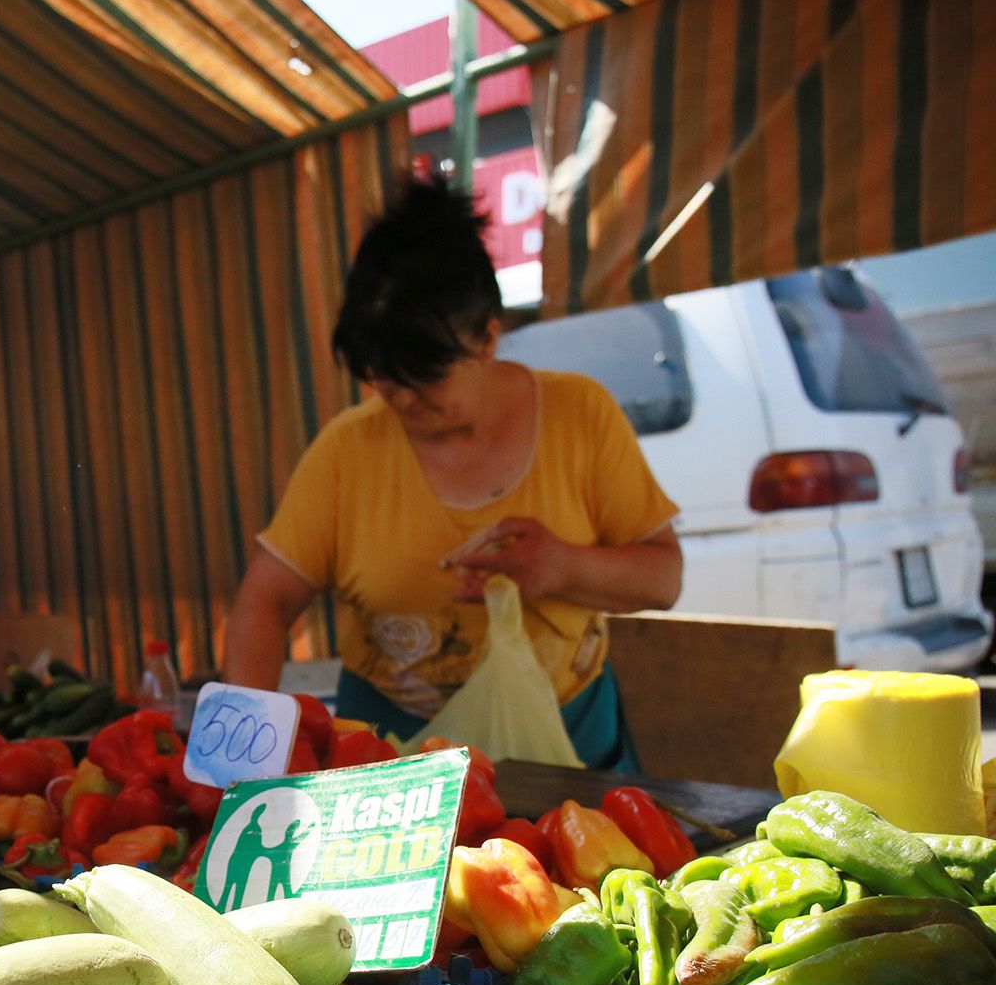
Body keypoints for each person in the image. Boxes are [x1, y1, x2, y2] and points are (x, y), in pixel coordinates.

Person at [222, 176, 682, 769]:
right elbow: (264, 602)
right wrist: (242, 759)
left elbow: (663, 578)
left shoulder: (580, 415)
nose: (404, 402)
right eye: (383, 381)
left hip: (564, 747)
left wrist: (563, 566)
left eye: (426, 379)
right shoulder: (347, 450)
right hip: (390, 759)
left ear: (488, 338)